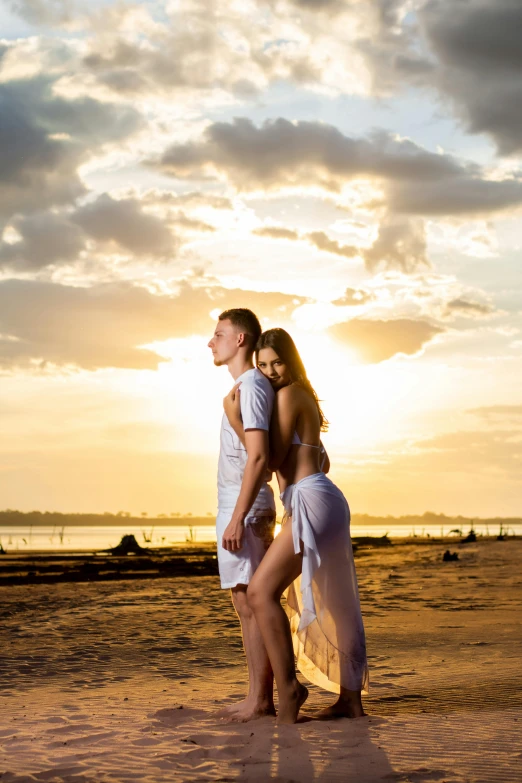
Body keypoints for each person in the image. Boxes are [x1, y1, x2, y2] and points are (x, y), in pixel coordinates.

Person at [224, 327, 369, 724]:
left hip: (311, 501)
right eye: (263, 365)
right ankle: (350, 701)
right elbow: (322, 461)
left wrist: (236, 419)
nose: (270, 372)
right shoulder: (302, 397)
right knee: (338, 603)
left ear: (293, 361)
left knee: (260, 591)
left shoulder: (288, 396)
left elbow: (268, 461)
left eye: (277, 363)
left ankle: (289, 692)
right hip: (321, 498)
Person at [208, 308, 277, 722]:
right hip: (241, 504)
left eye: (218, 333)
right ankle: (257, 694)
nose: (210, 341)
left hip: (244, 507)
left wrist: (236, 517)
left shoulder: (250, 385)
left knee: (250, 602)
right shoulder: (245, 387)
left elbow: (259, 457)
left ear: (240, 340)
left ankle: (261, 700)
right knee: (245, 603)